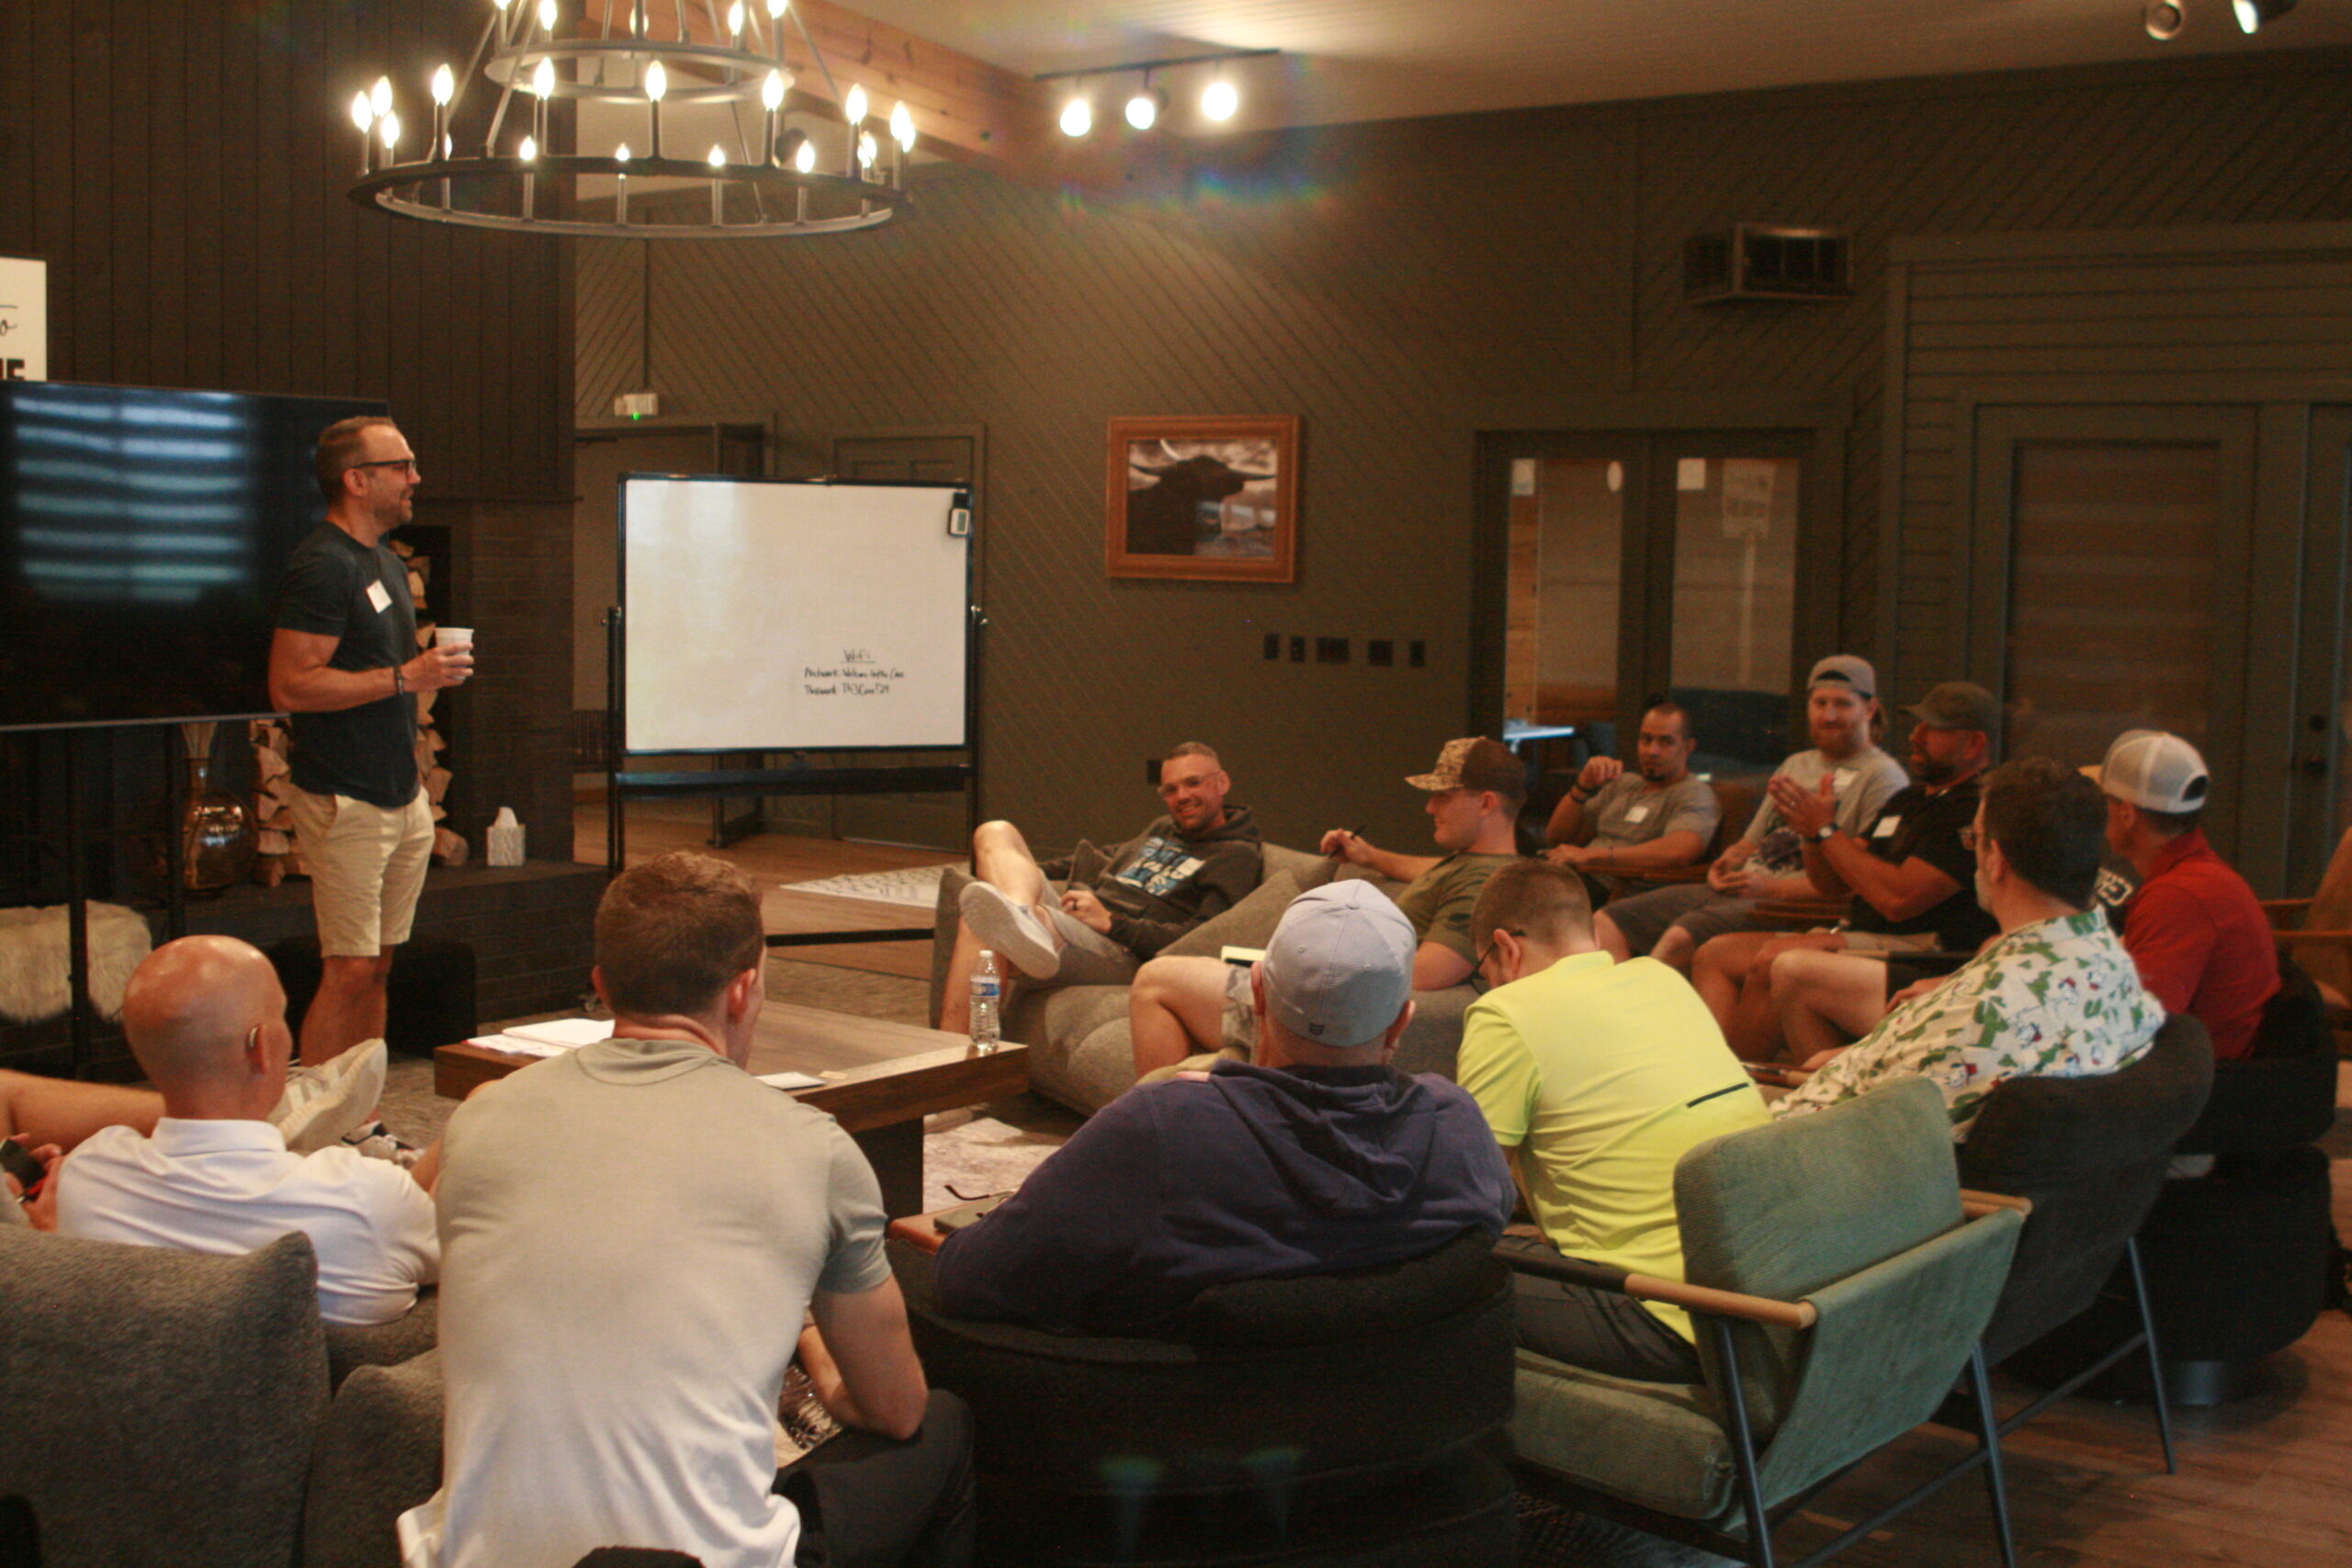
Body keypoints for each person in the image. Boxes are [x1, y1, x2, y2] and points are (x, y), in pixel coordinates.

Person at [401, 852, 972, 1568]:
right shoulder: (814, 1149)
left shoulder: (478, 1121)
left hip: (472, 1557)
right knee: (940, 1427)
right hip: (701, 1561)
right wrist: (820, 1361)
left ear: (603, 985)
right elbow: (896, 1406)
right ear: (743, 990)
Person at [931, 881, 1514, 1335]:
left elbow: (970, 1282)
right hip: (1396, 1445)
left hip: (1174, 1450)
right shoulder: (1459, 1126)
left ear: (1256, 994)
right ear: (1402, 1021)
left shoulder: (1158, 1129)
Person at [1458, 861, 1768, 1383]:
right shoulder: (1660, 978)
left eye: (1483, 967)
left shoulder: (1506, 1012)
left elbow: (1464, 1193)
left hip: (1669, 1316)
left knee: (1428, 1273)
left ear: (1505, 948)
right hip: (1767, 1296)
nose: (1487, 982)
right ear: (1593, 931)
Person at [51, 937, 437, 1326]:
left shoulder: (88, 1174)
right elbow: (467, 1253)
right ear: (262, 1047)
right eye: (282, 1016)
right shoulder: (366, 1195)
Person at [1773, 758, 2164, 1139]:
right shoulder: (2112, 960)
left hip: (1807, 1163)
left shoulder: (1977, 1014)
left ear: (1996, 860)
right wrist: (1860, 1060)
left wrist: (1858, 1069)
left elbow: (1858, 1146)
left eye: (1972, 840)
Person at [1125, 736, 1523, 1077]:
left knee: (1154, 979)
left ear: (1486, 802)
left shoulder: (1483, 881)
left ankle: (1161, 1131)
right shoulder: (1471, 863)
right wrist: (1369, 856)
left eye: (1443, 795)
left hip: (1324, 1006)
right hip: (1318, 993)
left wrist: (1317, 961)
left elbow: (1426, 973)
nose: (1429, 808)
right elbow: (1432, 871)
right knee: (1196, 986)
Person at [268, 416, 472, 1070]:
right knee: (349, 968)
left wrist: (420, 680)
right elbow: (291, 686)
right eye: (401, 465)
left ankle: (358, 1114)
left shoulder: (383, 561)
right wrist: (406, 676)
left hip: (401, 796)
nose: (415, 477)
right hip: (344, 798)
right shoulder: (322, 564)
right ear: (357, 480)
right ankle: (315, 1122)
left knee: (380, 965)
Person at [1695, 682, 2001, 1060]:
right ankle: (1712, 1066)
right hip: (1861, 933)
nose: (1916, 735)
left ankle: (1739, 1080)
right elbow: (1832, 885)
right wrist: (1813, 835)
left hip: (1923, 944)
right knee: (1716, 953)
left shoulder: (1972, 808)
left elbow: (1899, 900)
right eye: (1917, 724)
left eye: (1933, 728)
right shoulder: (1906, 800)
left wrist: (1827, 830)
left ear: (1973, 744)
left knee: (1771, 960)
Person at [1595, 657, 1907, 972]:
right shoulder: (1797, 764)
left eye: (1842, 705)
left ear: (1869, 709)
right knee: (1607, 920)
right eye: (1820, 703)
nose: (1827, 715)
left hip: (1790, 906)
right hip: (1737, 889)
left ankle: (1645, 1016)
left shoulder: (1883, 778)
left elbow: (1863, 883)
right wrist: (1727, 862)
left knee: (1678, 938)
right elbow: (1749, 844)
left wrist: (1771, 888)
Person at [937, 742, 1261, 1033]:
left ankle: (953, 1058)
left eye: (1193, 783)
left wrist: (1111, 922)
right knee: (995, 831)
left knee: (984, 923)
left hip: (1121, 949)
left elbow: (1198, 939)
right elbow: (1106, 855)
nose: (1182, 797)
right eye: (1170, 790)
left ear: (1222, 783)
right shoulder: (1164, 828)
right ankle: (1021, 915)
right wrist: (1024, 872)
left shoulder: (1237, 855)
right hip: (1080, 918)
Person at [2094, 731, 2278, 1062]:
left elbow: (2139, 1027)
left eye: (2105, 801)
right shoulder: (2200, 876)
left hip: (2210, 1085)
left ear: (2126, 814)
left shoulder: (2177, 897)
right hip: (2214, 1066)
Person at [1541, 702, 1720, 898]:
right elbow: (1557, 837)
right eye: (1646, 739)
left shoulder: (1694, 793)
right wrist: (1583, 787)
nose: (1652, 751)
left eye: (1666, 742)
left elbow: (1679, 852)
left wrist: (1594, 856)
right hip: (1571, 875)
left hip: (1614, 887)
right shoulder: (1623, 784)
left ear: (1688, 747)